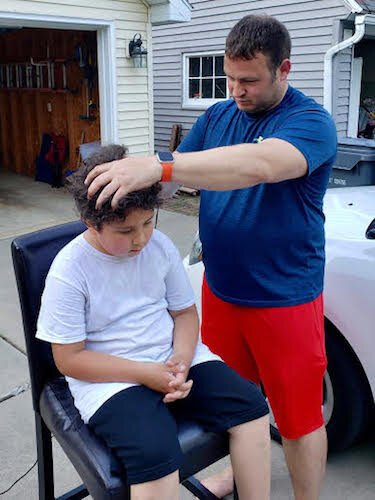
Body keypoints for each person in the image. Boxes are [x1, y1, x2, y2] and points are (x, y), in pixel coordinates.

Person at [84, 14, 337, 500]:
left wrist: (160, 164)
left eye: (250, 80)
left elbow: (259, 165)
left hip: (284, 298)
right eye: (230, 78)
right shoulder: (219, 115)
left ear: (283, 69)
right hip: (220, 291)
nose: (237, 90)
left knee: (299, 418)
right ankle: (240, 476)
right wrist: (112, 201)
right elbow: (172, 179)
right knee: (237, 404)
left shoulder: (310, 123)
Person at [36, 144, 270, 500]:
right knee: (155, 453)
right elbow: (68, 359)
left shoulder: (158, 247)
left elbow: (184, 314)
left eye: (147, 223)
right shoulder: (70, 270)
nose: (141, 238)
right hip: (109, 379)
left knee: (251, 406)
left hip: (170, 357)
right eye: (125, 231)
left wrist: (180, 357)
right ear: (91, 223)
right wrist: (147, 374)